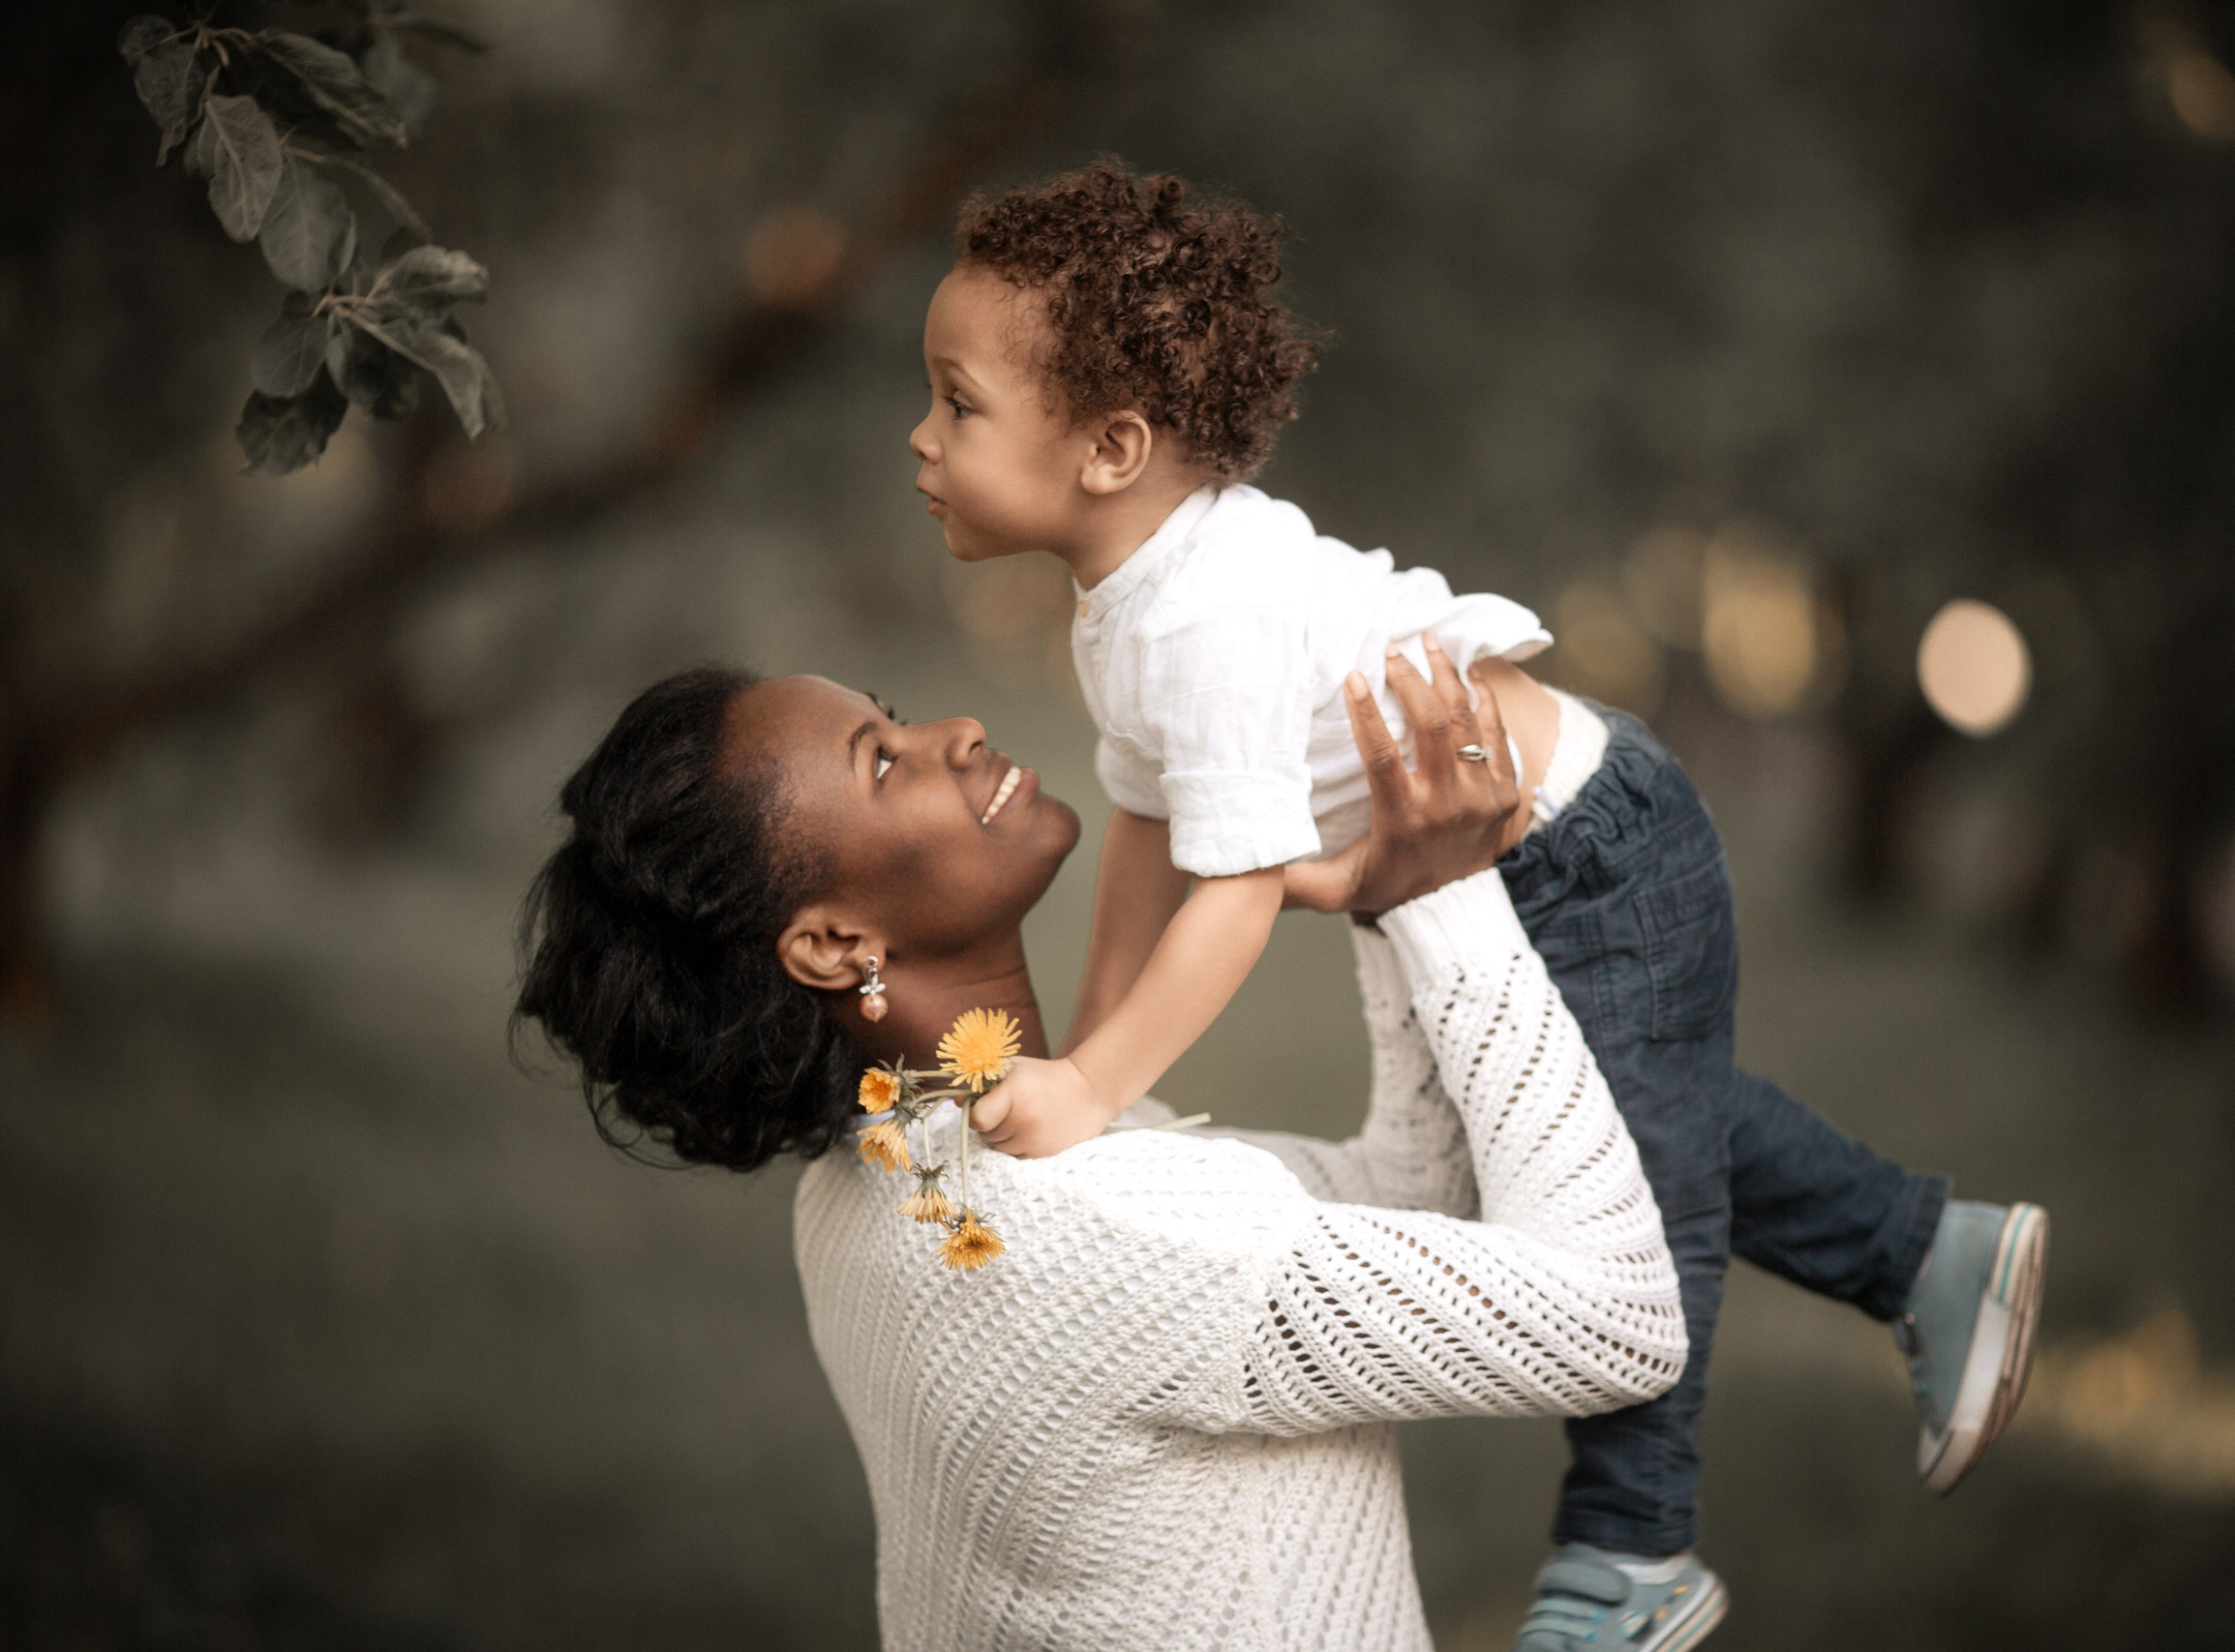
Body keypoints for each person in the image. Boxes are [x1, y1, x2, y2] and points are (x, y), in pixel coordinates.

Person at [904, 158, 2048, 1649]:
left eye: (956, 402)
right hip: (1505, 853)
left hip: (1586, 841)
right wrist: (1101, 1079)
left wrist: (1098, 1081)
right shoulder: (1122, 602)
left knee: (1641, 1171)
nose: (920, 439)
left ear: (1111, 444)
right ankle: (1925, 1249)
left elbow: (1237, 891)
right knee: (1660, 1107)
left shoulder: (1203, 619)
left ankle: (1632, 1552)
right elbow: (1149, 827)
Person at [514, 653, 1690, 1651]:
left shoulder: (886, 1182)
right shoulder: (1077, 1218)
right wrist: (1452, 898)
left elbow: (1409, 1201)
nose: (954, 733)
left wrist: (1391, 908)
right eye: (883, 761)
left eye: (892, 714)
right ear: (831, 944)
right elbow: (1620, 1323)